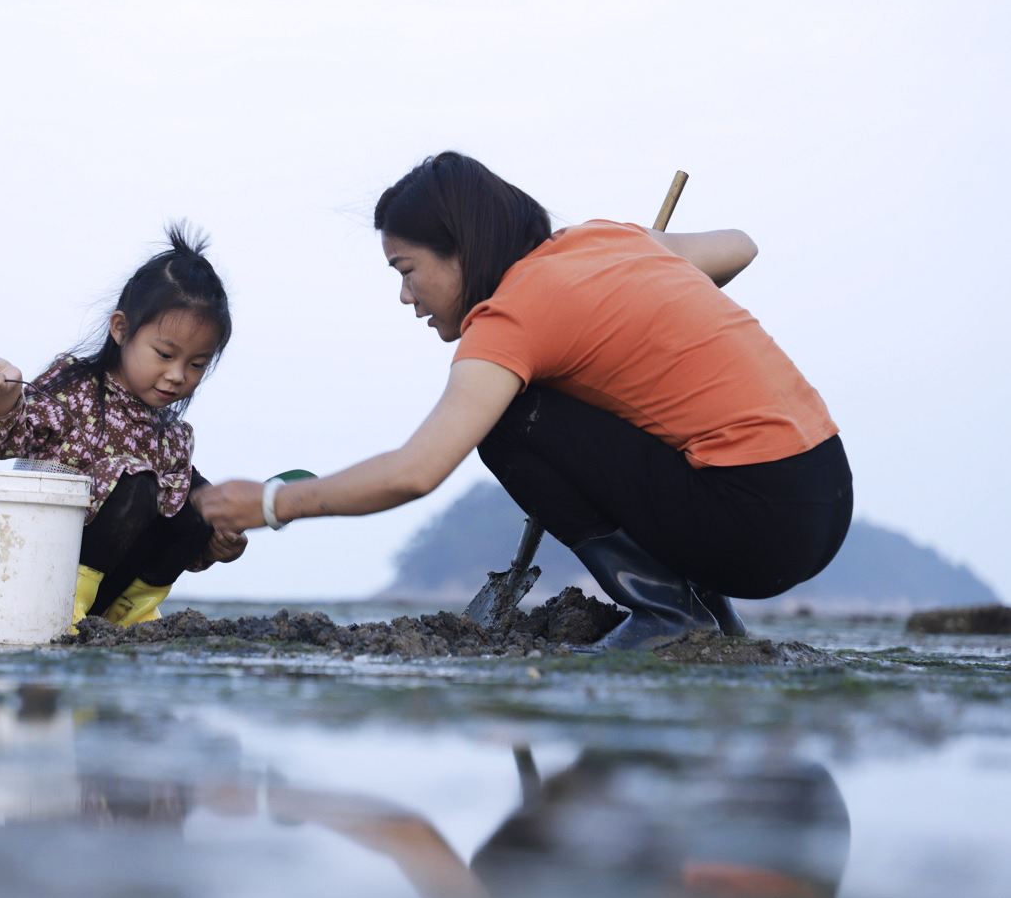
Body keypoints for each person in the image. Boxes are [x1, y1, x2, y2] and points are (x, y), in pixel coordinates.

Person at [195, 152, 853, 650]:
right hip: (823, 492)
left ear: (461, 250)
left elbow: (414, 470)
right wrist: (647, 290)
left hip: (756, 521)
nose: (406, 296)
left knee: (510, 421)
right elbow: (740, 245)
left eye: (406, 271)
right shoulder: (608, 242)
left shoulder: (511, 316)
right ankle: (714, 619)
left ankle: (668, 615)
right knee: (597, 401)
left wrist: (271, 502)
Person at [0, 225, 246, 628]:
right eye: (165, 354)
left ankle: (132, 612)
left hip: (112, 586)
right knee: (138, 486)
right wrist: (5, 399)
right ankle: (64, 609)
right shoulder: (76, 390)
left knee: (201, 500)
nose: (177, 375)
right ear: (121, 330)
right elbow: (1, 441)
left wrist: (214, 542)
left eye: (197, 364)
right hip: (42, 570)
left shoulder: (171, 437)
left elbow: (171, 529)